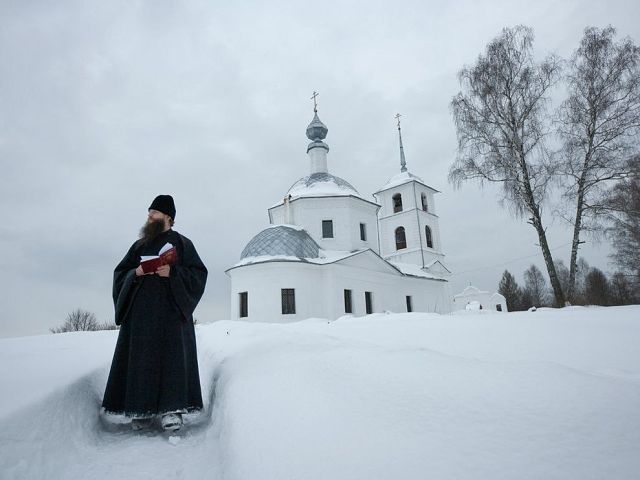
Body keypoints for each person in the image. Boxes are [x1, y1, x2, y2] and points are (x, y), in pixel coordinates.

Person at [102, 195, 208, 432]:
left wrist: (172, 272)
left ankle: (172, 411)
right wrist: (136, 272)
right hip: (141, 317)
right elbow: (121, 274)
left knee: (172, 361)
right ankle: (141, 410)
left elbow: (198, 275)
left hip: (172, 316)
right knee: (142, 361)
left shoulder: (182, 244)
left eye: (155, 213)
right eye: (149, 212)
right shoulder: (138, 246)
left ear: (168, 217)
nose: (149, 216)